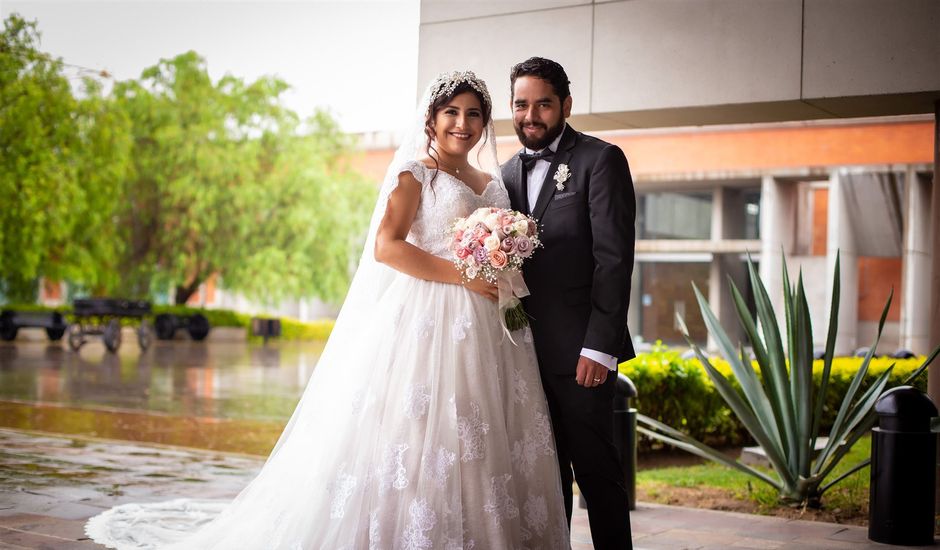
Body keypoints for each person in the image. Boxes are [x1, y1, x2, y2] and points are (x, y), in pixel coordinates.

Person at [84, 71, 571, 549]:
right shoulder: (415, 173)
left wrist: (500, 260)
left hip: (489, 323)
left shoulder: (491, 180)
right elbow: (387, 247)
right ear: (431, 118)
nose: (461, 124)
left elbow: (495, 249)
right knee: (428, 428)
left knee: (485, 428)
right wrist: (462, 276)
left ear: (485, 123)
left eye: (472, 115)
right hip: (429, 316)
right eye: (451, 112)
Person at [500, 57, 636, 550]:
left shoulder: (600, 160)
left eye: (543, 103)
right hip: (522, 356)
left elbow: (614, 260)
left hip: (582, 355)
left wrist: (600, 347)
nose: (530, 114)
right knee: (540, 478)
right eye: (521, 104)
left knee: (597, 475)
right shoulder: (503, 174)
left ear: (566, 106)